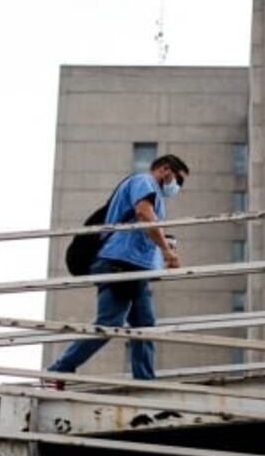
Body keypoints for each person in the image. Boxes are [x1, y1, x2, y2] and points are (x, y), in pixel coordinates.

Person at [45, 154, 190, 387]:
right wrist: (166, 250)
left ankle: (145, 382)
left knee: (145, 325)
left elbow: (144, 226)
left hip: (136, 268)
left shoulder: (154, 196)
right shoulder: (144, 182)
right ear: (165, 170)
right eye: (178, 180)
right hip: (118, 263)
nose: (177, 187)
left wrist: (164, 243)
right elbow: (143, 213)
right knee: (110, 321)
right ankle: (58, 369)